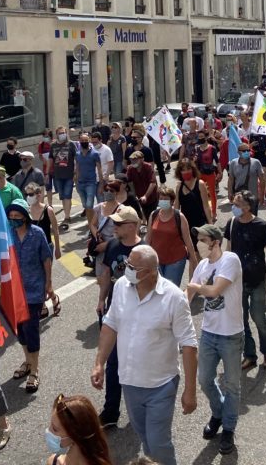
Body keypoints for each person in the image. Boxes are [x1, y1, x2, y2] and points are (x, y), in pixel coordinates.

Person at [91, 245, 198, 465]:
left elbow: (189, 345)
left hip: (161, 385)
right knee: (146, 441)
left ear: (151, 271)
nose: (126, 269)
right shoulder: (121, 286)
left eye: (132, 267)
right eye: (127, 264)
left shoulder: (174, 298)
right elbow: (110, 325)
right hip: (129, 383)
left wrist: (190, 390)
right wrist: (99, 362)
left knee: (158, 444)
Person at [187, 225, 243, 455]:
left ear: (215, 242)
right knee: (204, 380)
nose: (199, 243)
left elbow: (214, 291)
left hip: (230, 334)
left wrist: (195, 287)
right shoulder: (202, 265)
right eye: (198, 239)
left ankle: (228, 428)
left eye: (202, 239)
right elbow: (188, 295)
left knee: (231, 385)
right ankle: (218, 412)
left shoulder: (230, 260)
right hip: (209, 333)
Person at [95, 206, 146, 429]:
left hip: (137, 318)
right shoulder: (113, 245)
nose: (114, 227)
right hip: (115, 313)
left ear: (132, 226)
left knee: (137, 366)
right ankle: (111, 412)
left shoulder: (144, 251)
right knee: (113, 363)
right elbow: (107, 275)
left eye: (118, 224)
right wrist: (101, 300)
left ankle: (143, 411)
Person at [223, 192, 266, 372]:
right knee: (241, 320)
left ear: (247, 206)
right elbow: (228, 252)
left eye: (238, 204)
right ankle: (249, 355)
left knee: (259, 317)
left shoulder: (260, 225)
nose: (234, 207)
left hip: (257, 280)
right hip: (237, 282)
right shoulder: (231, 224)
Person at [7, 199, 54, 394]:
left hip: (34, 291)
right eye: (11, 218)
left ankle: (35, 370)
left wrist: (48, 284)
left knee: (32, 330)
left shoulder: (37, 234)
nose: (14, 221)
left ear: (25, 217)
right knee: (20, 331)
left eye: (17, 217)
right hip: (14, 291)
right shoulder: (8, 235)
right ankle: (27, 361)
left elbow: (46, 259)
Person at [145, 184, 197, 286]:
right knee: (158, 289)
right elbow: (148, 238)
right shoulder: (153, 215)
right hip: (157, 260)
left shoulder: (179, 217)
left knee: (170, 290)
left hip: (175, 261)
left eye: (166, 199)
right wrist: (144, 256)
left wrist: (193, 259)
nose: (163, 201)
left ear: (172, 201)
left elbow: (187, 239)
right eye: (161, 198)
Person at [44, 393, 113, 465]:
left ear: (75, 434)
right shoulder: (53, 461)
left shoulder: (54, 462)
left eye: (55, 429)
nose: (48, 431)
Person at [172, 160, 211, 235]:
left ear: (193, 169)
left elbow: (206, 206)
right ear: (179, 172)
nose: (186, 172)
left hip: (200, 224)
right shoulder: (179, 186)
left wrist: (210, 223)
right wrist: (175, 223)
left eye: (188, 169)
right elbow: (176, 206)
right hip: (185, 224)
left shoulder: (200, 184)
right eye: (183, 170)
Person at [50, 126, 77, 229]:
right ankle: (67, 213)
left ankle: (67, 216)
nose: (62, 134)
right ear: (57, 134)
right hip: (57, 175)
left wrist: (76, 172)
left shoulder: (71, 144)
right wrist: (48, 173)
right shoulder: (53, 145)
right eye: (60, 133)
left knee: (67, 195)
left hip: (69, 175)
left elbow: (76, 158)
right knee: (62, 196)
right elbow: (50, 159)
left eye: (64, 132)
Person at [74, 132, 104, 218]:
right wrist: (76, 182)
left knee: (89, 204)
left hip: (91, 182)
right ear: (79, 141)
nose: (84, 142)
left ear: (89, 141)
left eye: (86, 140)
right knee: (85, 205)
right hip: (80, 183)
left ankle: (92, 223)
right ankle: (91, 220)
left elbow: (99, 169)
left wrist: (101, 184)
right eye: (82, 140)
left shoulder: (95, 154)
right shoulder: (77, 154)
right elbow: (77, 168)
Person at [125, 151, 159, 218]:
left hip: (152, 196)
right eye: (131, 160)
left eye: (135, 159)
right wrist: (134, 193)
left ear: (142, 159)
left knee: (153, 215)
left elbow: (153, 183)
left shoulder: (148, 167)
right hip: (140, 197)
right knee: (146, 214)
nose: (133, 161)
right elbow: (127, 181)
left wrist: (146, 196)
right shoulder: (130, 169)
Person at [195, 134, 220, 218]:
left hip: (210, 174)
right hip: (200, 174)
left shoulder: (212, 148)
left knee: (212, 193)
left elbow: (217, 161)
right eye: (199, 137)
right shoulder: (197, 149)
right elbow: (195, 162)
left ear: (206, 138)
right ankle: (204, 211)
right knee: (201, 193)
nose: (200, 138)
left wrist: (220, 172)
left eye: (202, 137)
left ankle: (214, 213)